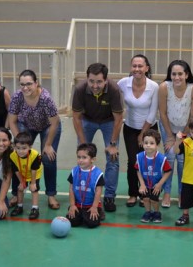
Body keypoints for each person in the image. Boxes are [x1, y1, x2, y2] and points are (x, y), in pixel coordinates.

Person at [72, 63, 123, 212]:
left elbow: (118, 119)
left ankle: (109, 196)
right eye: (91, 81)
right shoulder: (80, 90)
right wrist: (83, 143)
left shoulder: (114, 90)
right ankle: (81, 194)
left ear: (106, 80)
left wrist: (112, 144)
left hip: (109, 121)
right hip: (87, 120)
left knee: (113, 158)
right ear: (87, 79)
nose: (95, 85)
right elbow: (76, 118)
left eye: (99, 82)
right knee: (82, 157)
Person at [8, 69, 61, 210]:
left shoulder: (45, 99)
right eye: (22, 84)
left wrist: (48, 145)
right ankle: (16, 193)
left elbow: (55, 122)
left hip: (48, 126)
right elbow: (12, 121)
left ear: (36, 83)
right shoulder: (17, 97)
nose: (25, 88)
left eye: (29, 84)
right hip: (26, 124)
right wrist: (17, 143)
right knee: (17, 157)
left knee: (48, 158)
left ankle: (51, 195)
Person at [158, 59, 193, 208]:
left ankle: (183, 193)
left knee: (183, 160)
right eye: (173, 74)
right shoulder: (164, 87)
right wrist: (170, 136)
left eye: (180, 74)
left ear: (187, 75)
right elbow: (162, 113)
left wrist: (182, 136)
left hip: (186, 129)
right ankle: (167, 192)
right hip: (168, 127)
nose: (177, 77)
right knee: (169, 158)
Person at [118, 54, 159, 208]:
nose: (137, 69)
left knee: (148, 162)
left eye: (140, 66)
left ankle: (146, 194)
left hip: (149, 129)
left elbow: (152, 112)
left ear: (146, 68)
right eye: (134, 66)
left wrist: (142, 134)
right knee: (132, 161)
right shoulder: (123, 83)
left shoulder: (154, 86)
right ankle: (133, 193)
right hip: (129, 128)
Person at [135, 129, 171, 223]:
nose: (148, 145)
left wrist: (159, 184)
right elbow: (138, 170)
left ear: (157, 145)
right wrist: (142, 184)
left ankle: (157, 212)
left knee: (154, 200)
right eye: (146, 142)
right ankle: (147, 212)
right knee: (145, 199)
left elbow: (168, 172)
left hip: (156, 185)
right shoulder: (139, 157)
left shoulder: (161, 158)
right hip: (145, 183)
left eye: (151, 143)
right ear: (142, 143)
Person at [66, 143, 104, 228]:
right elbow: (71, 189)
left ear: (93, 159)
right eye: (79, 157)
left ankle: (98, 211)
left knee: (92, 223)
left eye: (84, 157)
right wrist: (72, 205)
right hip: (77, 204)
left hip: (91, 205)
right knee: (72, 222)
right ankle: (80, 214)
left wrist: (94, 207)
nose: (80, 160)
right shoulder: (74, 171)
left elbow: (98, 192)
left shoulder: (98, 174)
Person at [9, 132, 43, 220]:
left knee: (34, 189)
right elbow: (16, 170)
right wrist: (22, 182)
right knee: (20, 188)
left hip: (34, 174)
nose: (20, 151)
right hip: (22, 173)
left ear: (30, 147)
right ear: (14, 146)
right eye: (18, 148)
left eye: (24, 148)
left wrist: (33, 183)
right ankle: (19, 206)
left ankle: (35, 208)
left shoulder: (35, 155)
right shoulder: (12, 156)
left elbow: (34, 170)